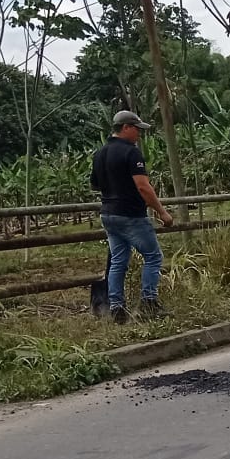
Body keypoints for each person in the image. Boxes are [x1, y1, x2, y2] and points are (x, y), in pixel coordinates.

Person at [90, 109, 175, 325]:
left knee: (118, 261)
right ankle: (148, 303)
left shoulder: (100, 154)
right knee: (153, 256)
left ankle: (117, 306)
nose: (139, 134)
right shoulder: (131, 152)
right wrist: (162, 212)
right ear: (126, 128)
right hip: (131, 215)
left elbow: (96, 185)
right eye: (137, 129)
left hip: (108, 214)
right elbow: (143, 186)